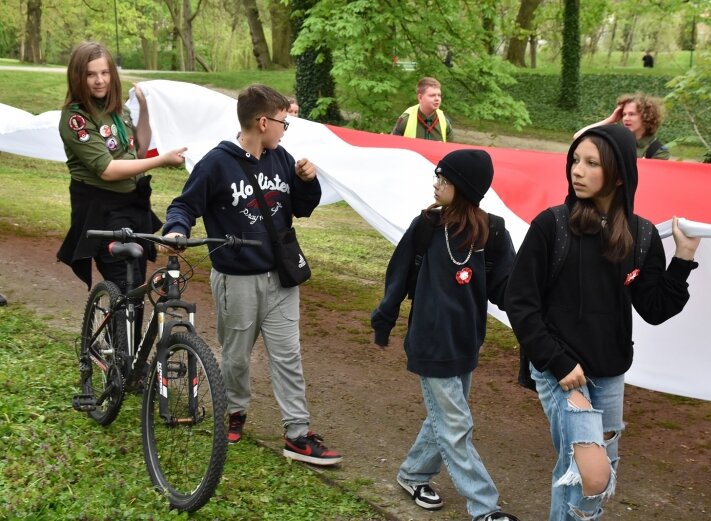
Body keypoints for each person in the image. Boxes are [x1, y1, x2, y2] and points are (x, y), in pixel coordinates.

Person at [505, 124, 701, 521]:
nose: (577, 170)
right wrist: (557, 362)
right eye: (575, 161)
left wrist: (683, 259)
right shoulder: (552, 226)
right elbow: (519, 301)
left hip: (610, 371)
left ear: (617, 173)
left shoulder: (642, 235)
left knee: (587, 472)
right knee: (591, 474)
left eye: (591, 163)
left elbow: (655, 308)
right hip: (558, 368)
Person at [162, 84, 342, 466]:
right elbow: (184, 204)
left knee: (288, 356)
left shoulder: (281, 158)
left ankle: (297, 432)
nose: (285, 130)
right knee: (236, 358)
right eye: (283, 122)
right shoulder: (216, 162)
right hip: (236, 280)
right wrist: (176, 229)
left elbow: (302, 209)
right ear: (263, 122)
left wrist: (308, 182)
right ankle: (235, 410)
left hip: (280, 278)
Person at [371, 149, 519, 521]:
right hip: (430, 341)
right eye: (437, 177)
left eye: (445, 179)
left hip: (467, 341)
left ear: (466, 188)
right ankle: (485, 507)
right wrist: (384, 321)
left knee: (443, 416)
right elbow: (398, 277)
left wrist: (535, 319)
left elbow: (508, 291)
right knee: (456, 424)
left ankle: (412, 473)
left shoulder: (494, 232)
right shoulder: (425, 227)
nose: (436, 185)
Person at [56, 41, 187, 292]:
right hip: (101, 210)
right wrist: (162, 160)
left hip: (132, 205)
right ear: (77, 77)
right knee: (126, 285)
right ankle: (118, 331)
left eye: (104, 73)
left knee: (137, 283)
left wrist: (145, 108)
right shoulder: (76, 119)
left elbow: (138, 151)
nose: (99, 80)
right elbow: (106, 170)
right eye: (91, 74)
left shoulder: (117, 110)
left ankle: (127, 332)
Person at [573, 93, 670, 160]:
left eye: (631, 114)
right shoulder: (615, 139)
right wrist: (610, 120)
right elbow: (578, 137)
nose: (626, 118)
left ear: (646, 116)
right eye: (624, 114)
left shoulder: (658, 150)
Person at [391, 77, 453, 142]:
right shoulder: (406, 119)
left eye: (439, 95)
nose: (437, 99)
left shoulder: (444, 120)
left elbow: (451, 148)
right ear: (420, 97)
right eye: (432, 95)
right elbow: (393, 145)